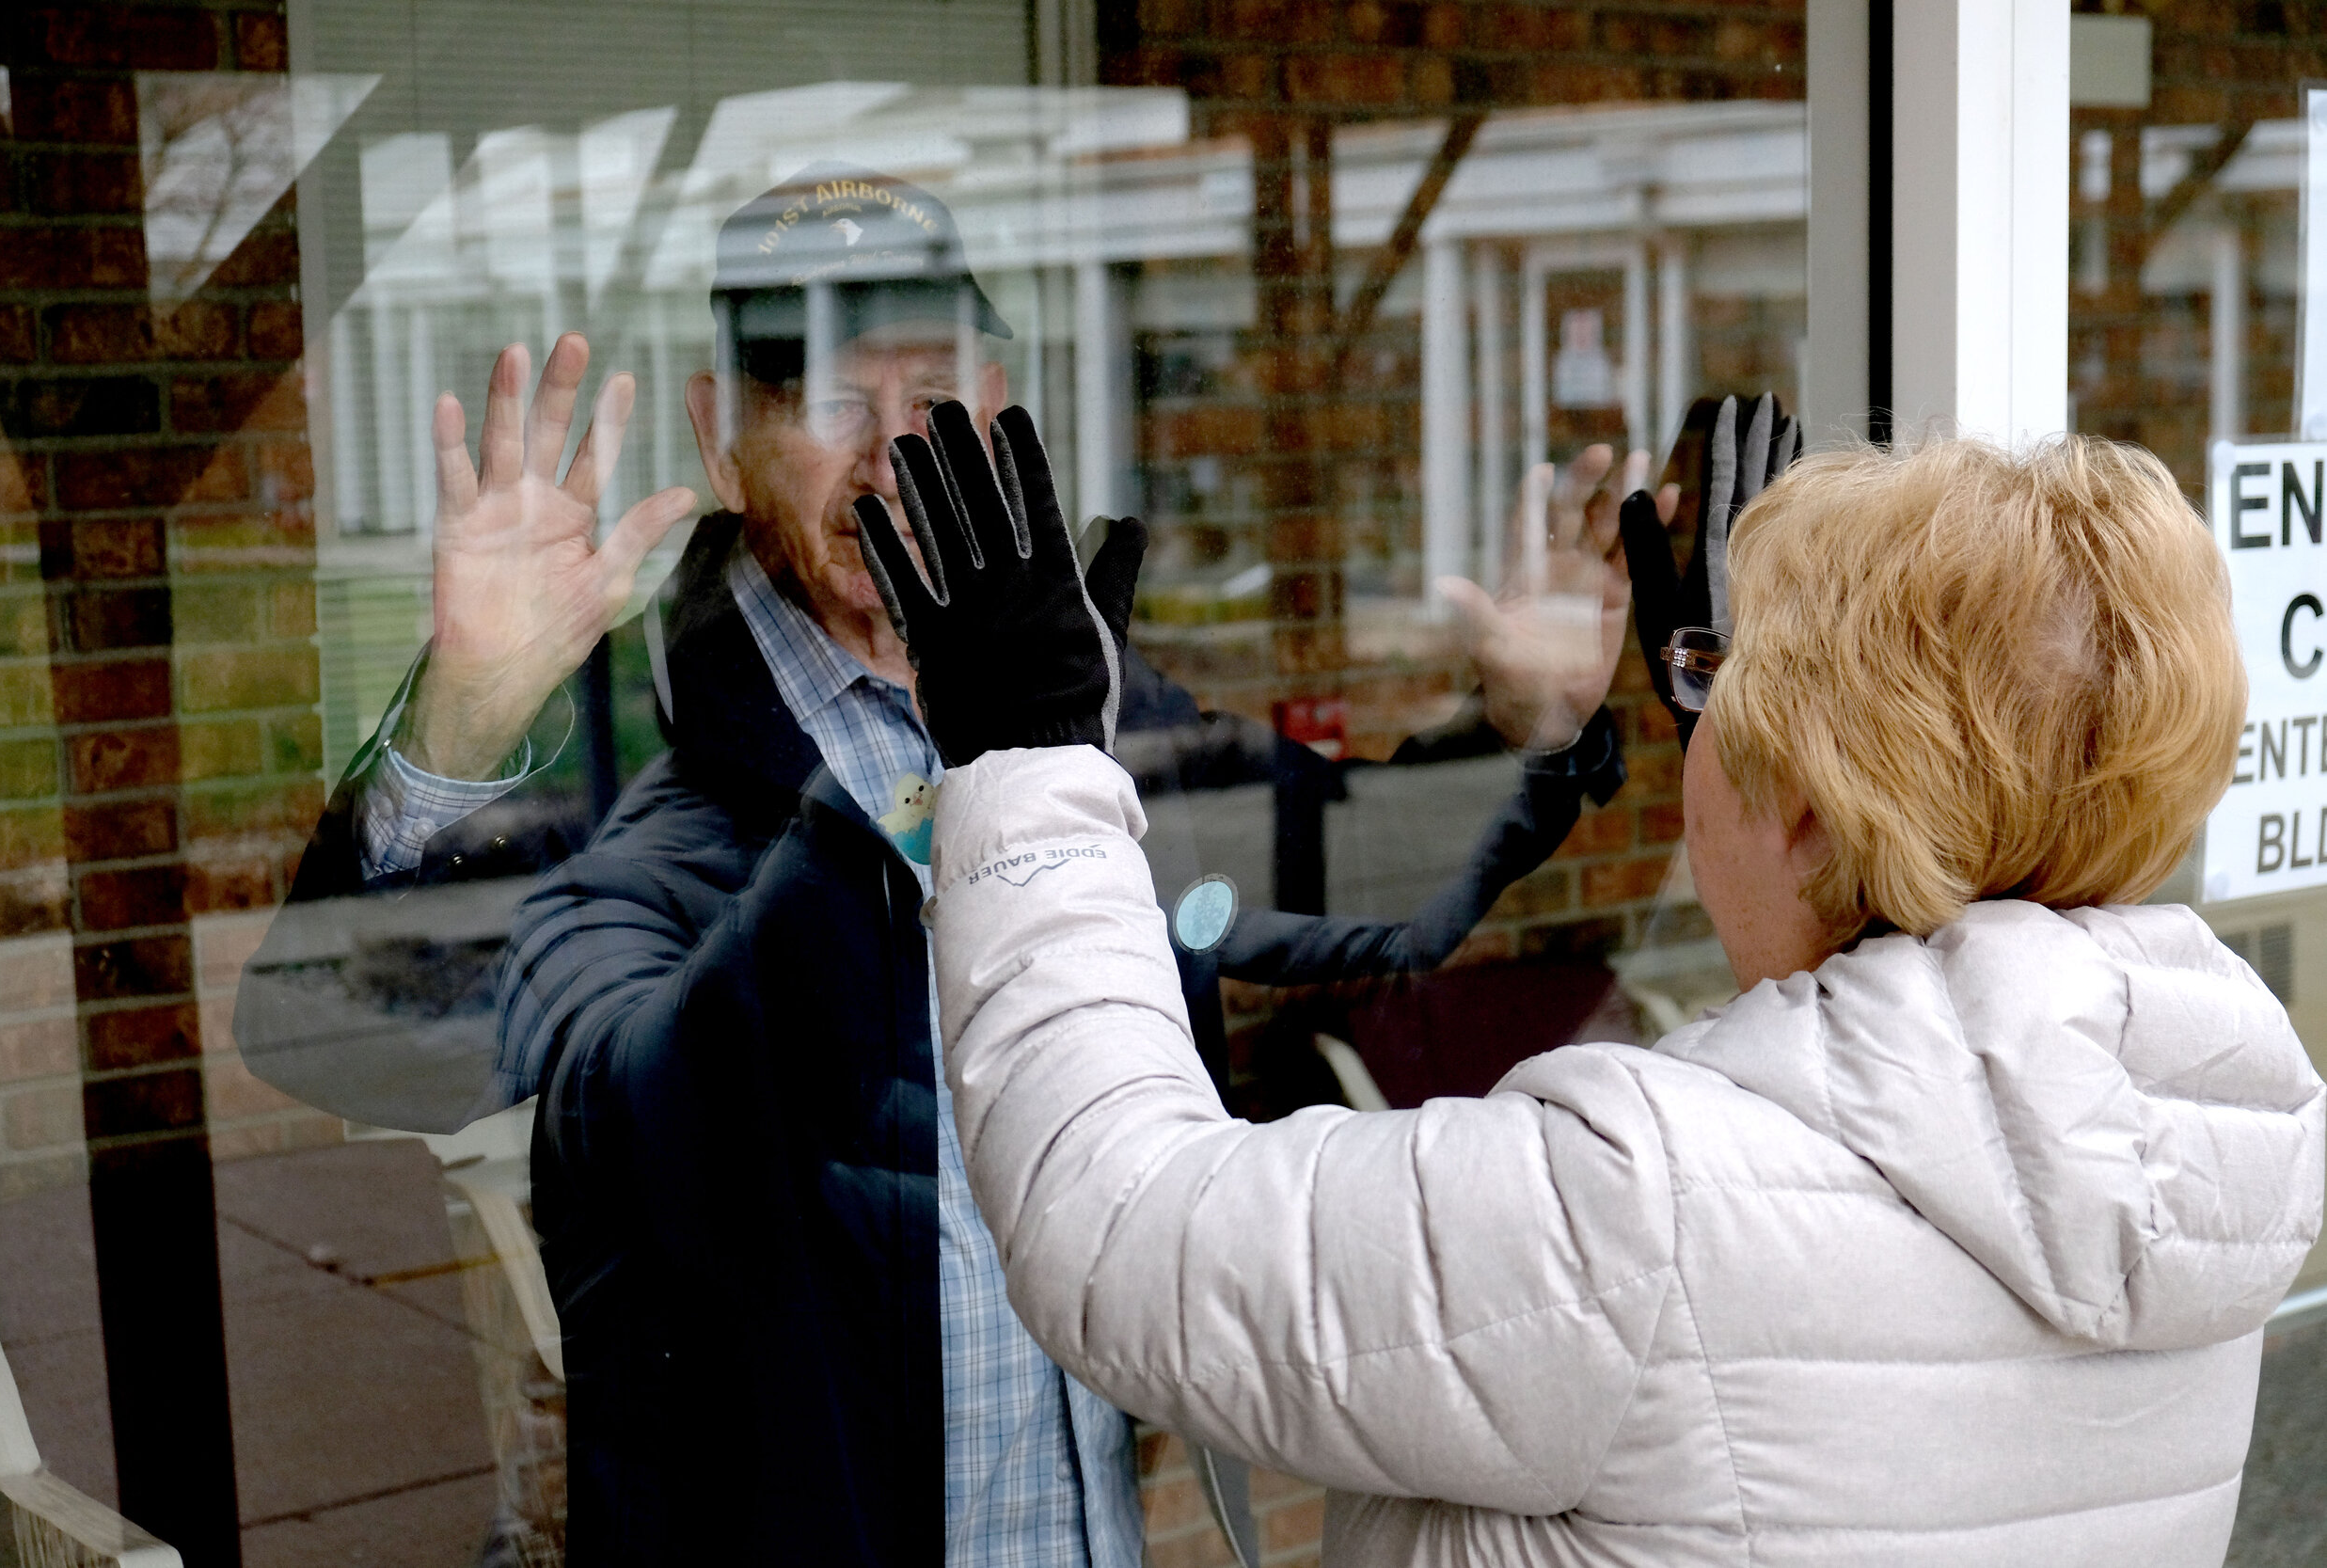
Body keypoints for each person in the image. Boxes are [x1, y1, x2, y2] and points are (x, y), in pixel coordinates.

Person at [234, 163, 1656, 1564]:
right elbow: (347, 1042)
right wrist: (464, 721)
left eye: (936, 393)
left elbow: (1312, 893)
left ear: (998, 410)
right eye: (840, 400)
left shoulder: (1086, 700)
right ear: (722, 436)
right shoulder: (629, 750)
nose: (893, 449)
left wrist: (1517, 735)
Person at [864, 407, 2327, 1566]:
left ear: (1811, 806)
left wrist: (1030, 763)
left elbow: (1123, 1231)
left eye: (1738, 694)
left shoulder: (1644, 1212)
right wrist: (1745, 707)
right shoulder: (2190, 1156)